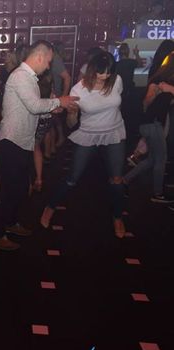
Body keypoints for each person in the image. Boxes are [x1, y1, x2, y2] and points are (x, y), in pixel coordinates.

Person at [0, 40, 78, 251]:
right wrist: (59, 102)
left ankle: (10, 223)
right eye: (48, 61)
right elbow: (34, 105)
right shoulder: (21, 76)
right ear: (39, 57)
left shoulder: (28, 78)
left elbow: (33, 110)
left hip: (22, 142)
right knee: (11, 190)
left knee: (19, 190)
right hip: (11, 142)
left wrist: (50, 110)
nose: (48, 66)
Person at [41, 52, 127, 238]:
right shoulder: (78, 90)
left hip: (114, 132)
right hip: (88, 134)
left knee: (117, 179)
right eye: (101, 72)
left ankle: (118, 217)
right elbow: (71, 124)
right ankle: (50, 206)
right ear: (92, 70)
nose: (105, 76)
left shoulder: (117, 81)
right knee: (73, 177)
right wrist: (72, 113)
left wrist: (115, 119)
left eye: (109, 72)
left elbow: (117, 105)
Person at [123, 52, 174, 204]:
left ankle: (125, 180)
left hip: (152, 123)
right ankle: (157, 193)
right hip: (152, 123)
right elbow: (147, 100)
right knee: (161, 159)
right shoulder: (160, 81)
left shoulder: (166, 82)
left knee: (152, 159)